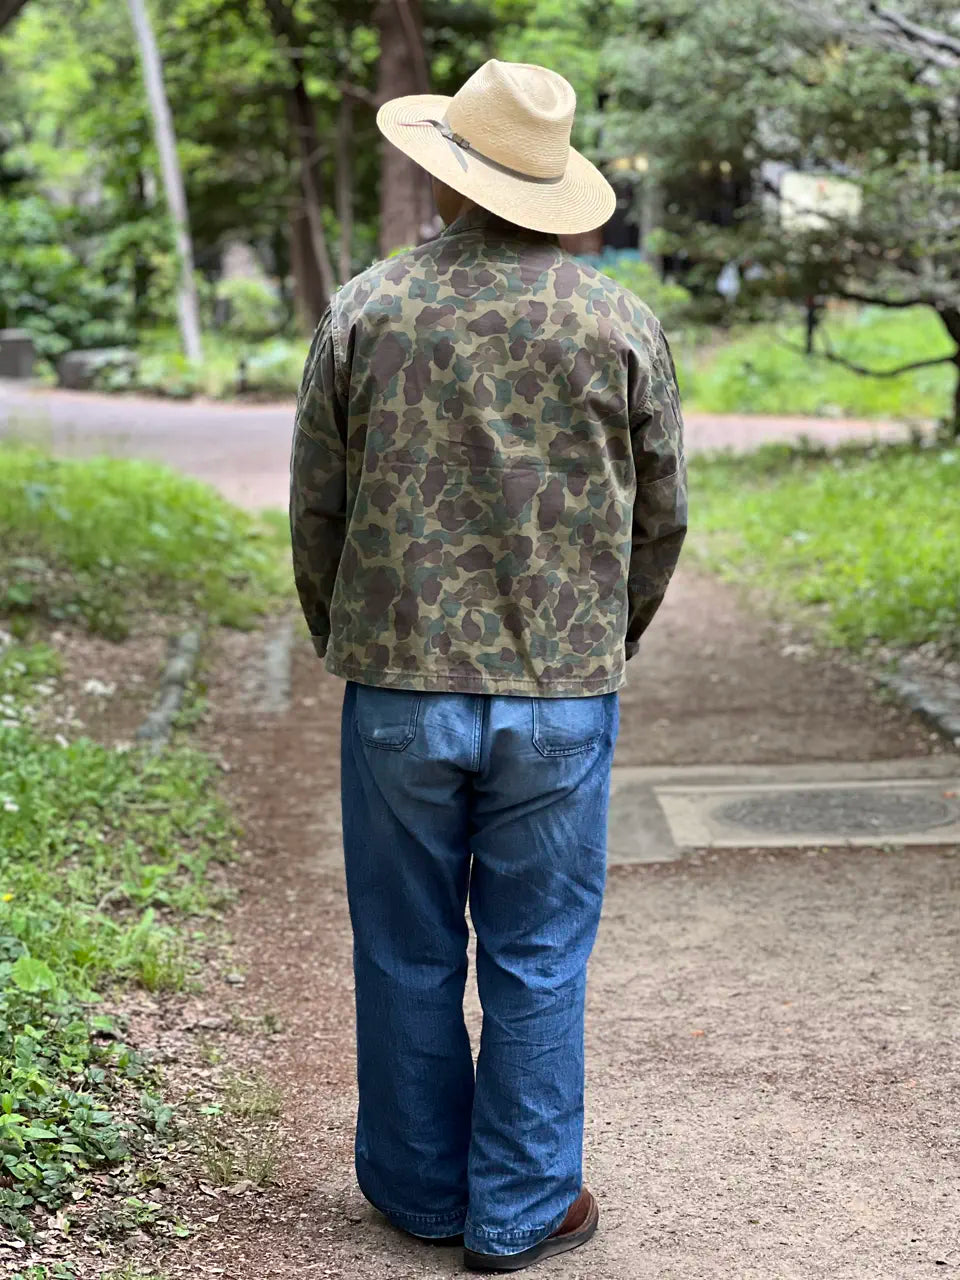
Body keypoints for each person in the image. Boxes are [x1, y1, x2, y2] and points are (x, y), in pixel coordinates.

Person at [290, 58, 687, 1273]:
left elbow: (318, 505)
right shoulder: (618, 323)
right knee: (540, 952)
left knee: (404, 944)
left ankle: (419, 1189)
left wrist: (349, 635)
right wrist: (602, 640)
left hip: (399, 685)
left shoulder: (367, 310)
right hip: (559, 694)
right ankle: (522, 1205)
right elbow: (660, 517)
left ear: (446, 174)